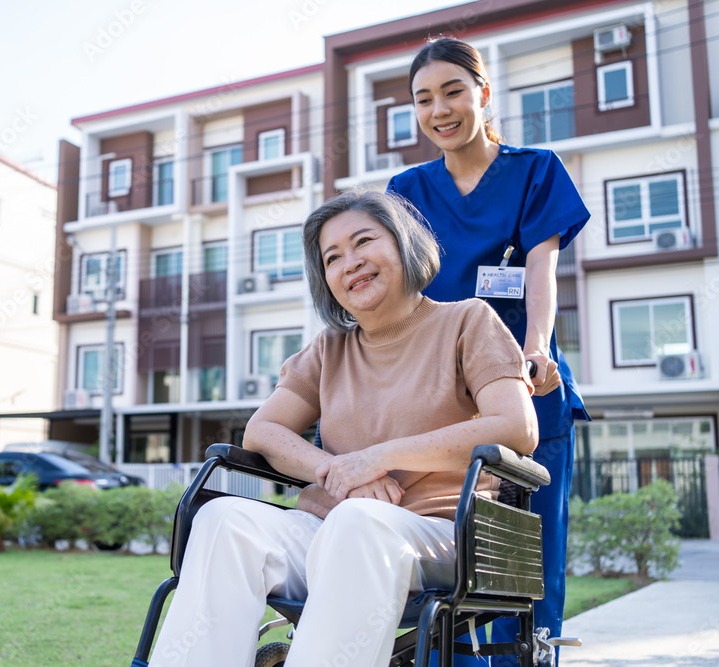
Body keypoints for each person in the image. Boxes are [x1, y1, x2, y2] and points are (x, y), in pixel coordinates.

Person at [148, 189, 538, 667]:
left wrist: (380, 457)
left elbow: (517, 426)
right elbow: (262, 431)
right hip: (325, 527)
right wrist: (338, 470)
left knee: (358, 522)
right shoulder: (328, 349)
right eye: (332, 258)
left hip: (438, 533)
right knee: (223, 519)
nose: (349, 263)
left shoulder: (467, 322)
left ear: (403, 244)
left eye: (363, 242)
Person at [386, 37, 591, 664]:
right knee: (441, 569)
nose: (439, 110)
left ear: (483, 93)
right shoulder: (406, 187)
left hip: (526, 394)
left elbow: (541, 268)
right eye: (423, 100)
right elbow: (400, 293)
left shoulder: (535, 170)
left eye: (452, 91)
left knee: (526, 570)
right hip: (439, 406)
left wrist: (535, 350)